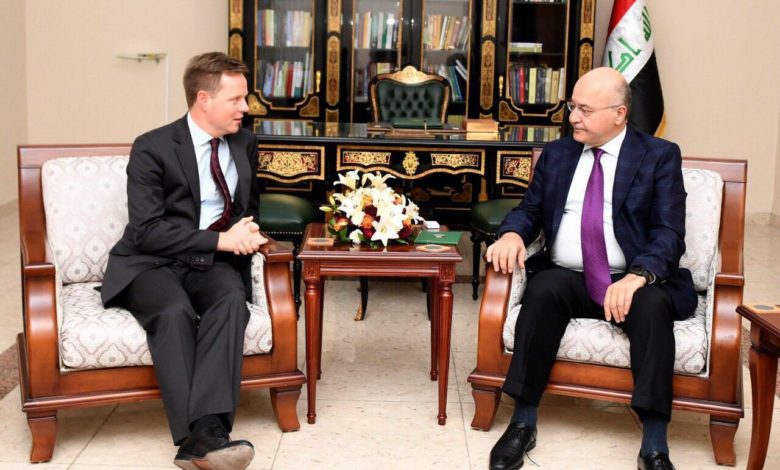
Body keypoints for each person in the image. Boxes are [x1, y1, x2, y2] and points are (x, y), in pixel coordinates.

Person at [485, 67, 695, 470]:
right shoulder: (558, 154)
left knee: (653, 308)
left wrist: (637, 277)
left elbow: (669, 231)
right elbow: (529, 209)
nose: (573, 117)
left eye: (584, 109)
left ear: (619, 113)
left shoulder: (658, 155)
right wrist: (512, 234)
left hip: (630, 278)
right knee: (542, 290)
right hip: (569, 277)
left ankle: (654, 444)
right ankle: (522, 423)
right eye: (572, 107)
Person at [102, 52, 266, 470]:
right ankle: (204, 437)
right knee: (174, 311)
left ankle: (204, 438)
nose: (245, 107)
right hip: (149, 262)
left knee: (230, 301)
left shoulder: (244, 143)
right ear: (203, 99)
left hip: (210, 262)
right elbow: (146, 230)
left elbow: (249, 206)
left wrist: (247, 231)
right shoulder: (153, 147)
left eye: (244, 98)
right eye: (236, 99)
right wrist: (222, 241)